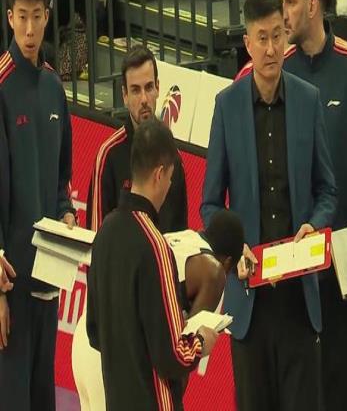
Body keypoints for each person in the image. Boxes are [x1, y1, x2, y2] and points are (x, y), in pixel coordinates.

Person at [236, 0, 347, 409]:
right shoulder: (270, 69)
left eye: (288, 2)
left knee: (341, 394)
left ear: (313, 5)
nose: (281, 13)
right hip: (285, 280)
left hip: (338, 272)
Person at [202, 0, 337, 411]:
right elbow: (210, 205)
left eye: (277, 35)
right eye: (262, 38)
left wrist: (315, 225)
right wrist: (233, 249)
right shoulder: (226, 106)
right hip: (250, 300)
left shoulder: (308, 100)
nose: (271, 48)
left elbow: (327, 190)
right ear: (247, 43)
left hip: (299, 299)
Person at [87, 119, 219, 411]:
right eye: (170, 177)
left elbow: (94, 331)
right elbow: (173, 356)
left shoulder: (104, 233)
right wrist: (200, 341)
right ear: (159, 174)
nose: (170, 185)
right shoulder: (156, 246)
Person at [73, 208, 244, 411]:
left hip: (87, 338)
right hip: (114, 356)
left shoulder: (178, 237)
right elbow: (183, 355)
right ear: (228, 262)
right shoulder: (214, 271)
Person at [0, 0, 76, 409]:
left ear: (47, 17)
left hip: (49, 278)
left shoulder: (54, 87)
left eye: (37, 17)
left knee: (43, 399)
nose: (30, 30)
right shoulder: (1, 87)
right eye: (22, 17)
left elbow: (63, 178)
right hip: (10, 285)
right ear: (10, 18)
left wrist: (67, 213)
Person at [87, 44, 188, 234]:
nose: (144, 99)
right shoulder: (108, 156)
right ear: (124, 96)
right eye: (135, 90)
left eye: (149, 87)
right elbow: (96, 239)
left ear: (158, 88)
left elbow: (180, 235)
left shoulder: (173, 157)